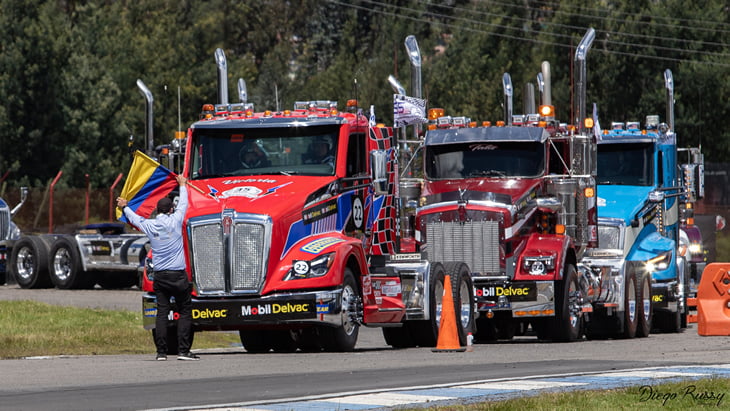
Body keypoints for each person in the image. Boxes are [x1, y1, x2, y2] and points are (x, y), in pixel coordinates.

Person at [116, 174, 199, 361]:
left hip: (160, 276)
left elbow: (135, 219)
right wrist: (183, 185)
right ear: (171, 209)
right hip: (178, 275)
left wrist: (125, 206)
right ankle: (183, 351)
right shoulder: (176, 220)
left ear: (158, 211)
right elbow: (184, 203)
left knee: (162, 312)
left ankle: (161, 352)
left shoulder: (150, 225)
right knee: (185, 310)